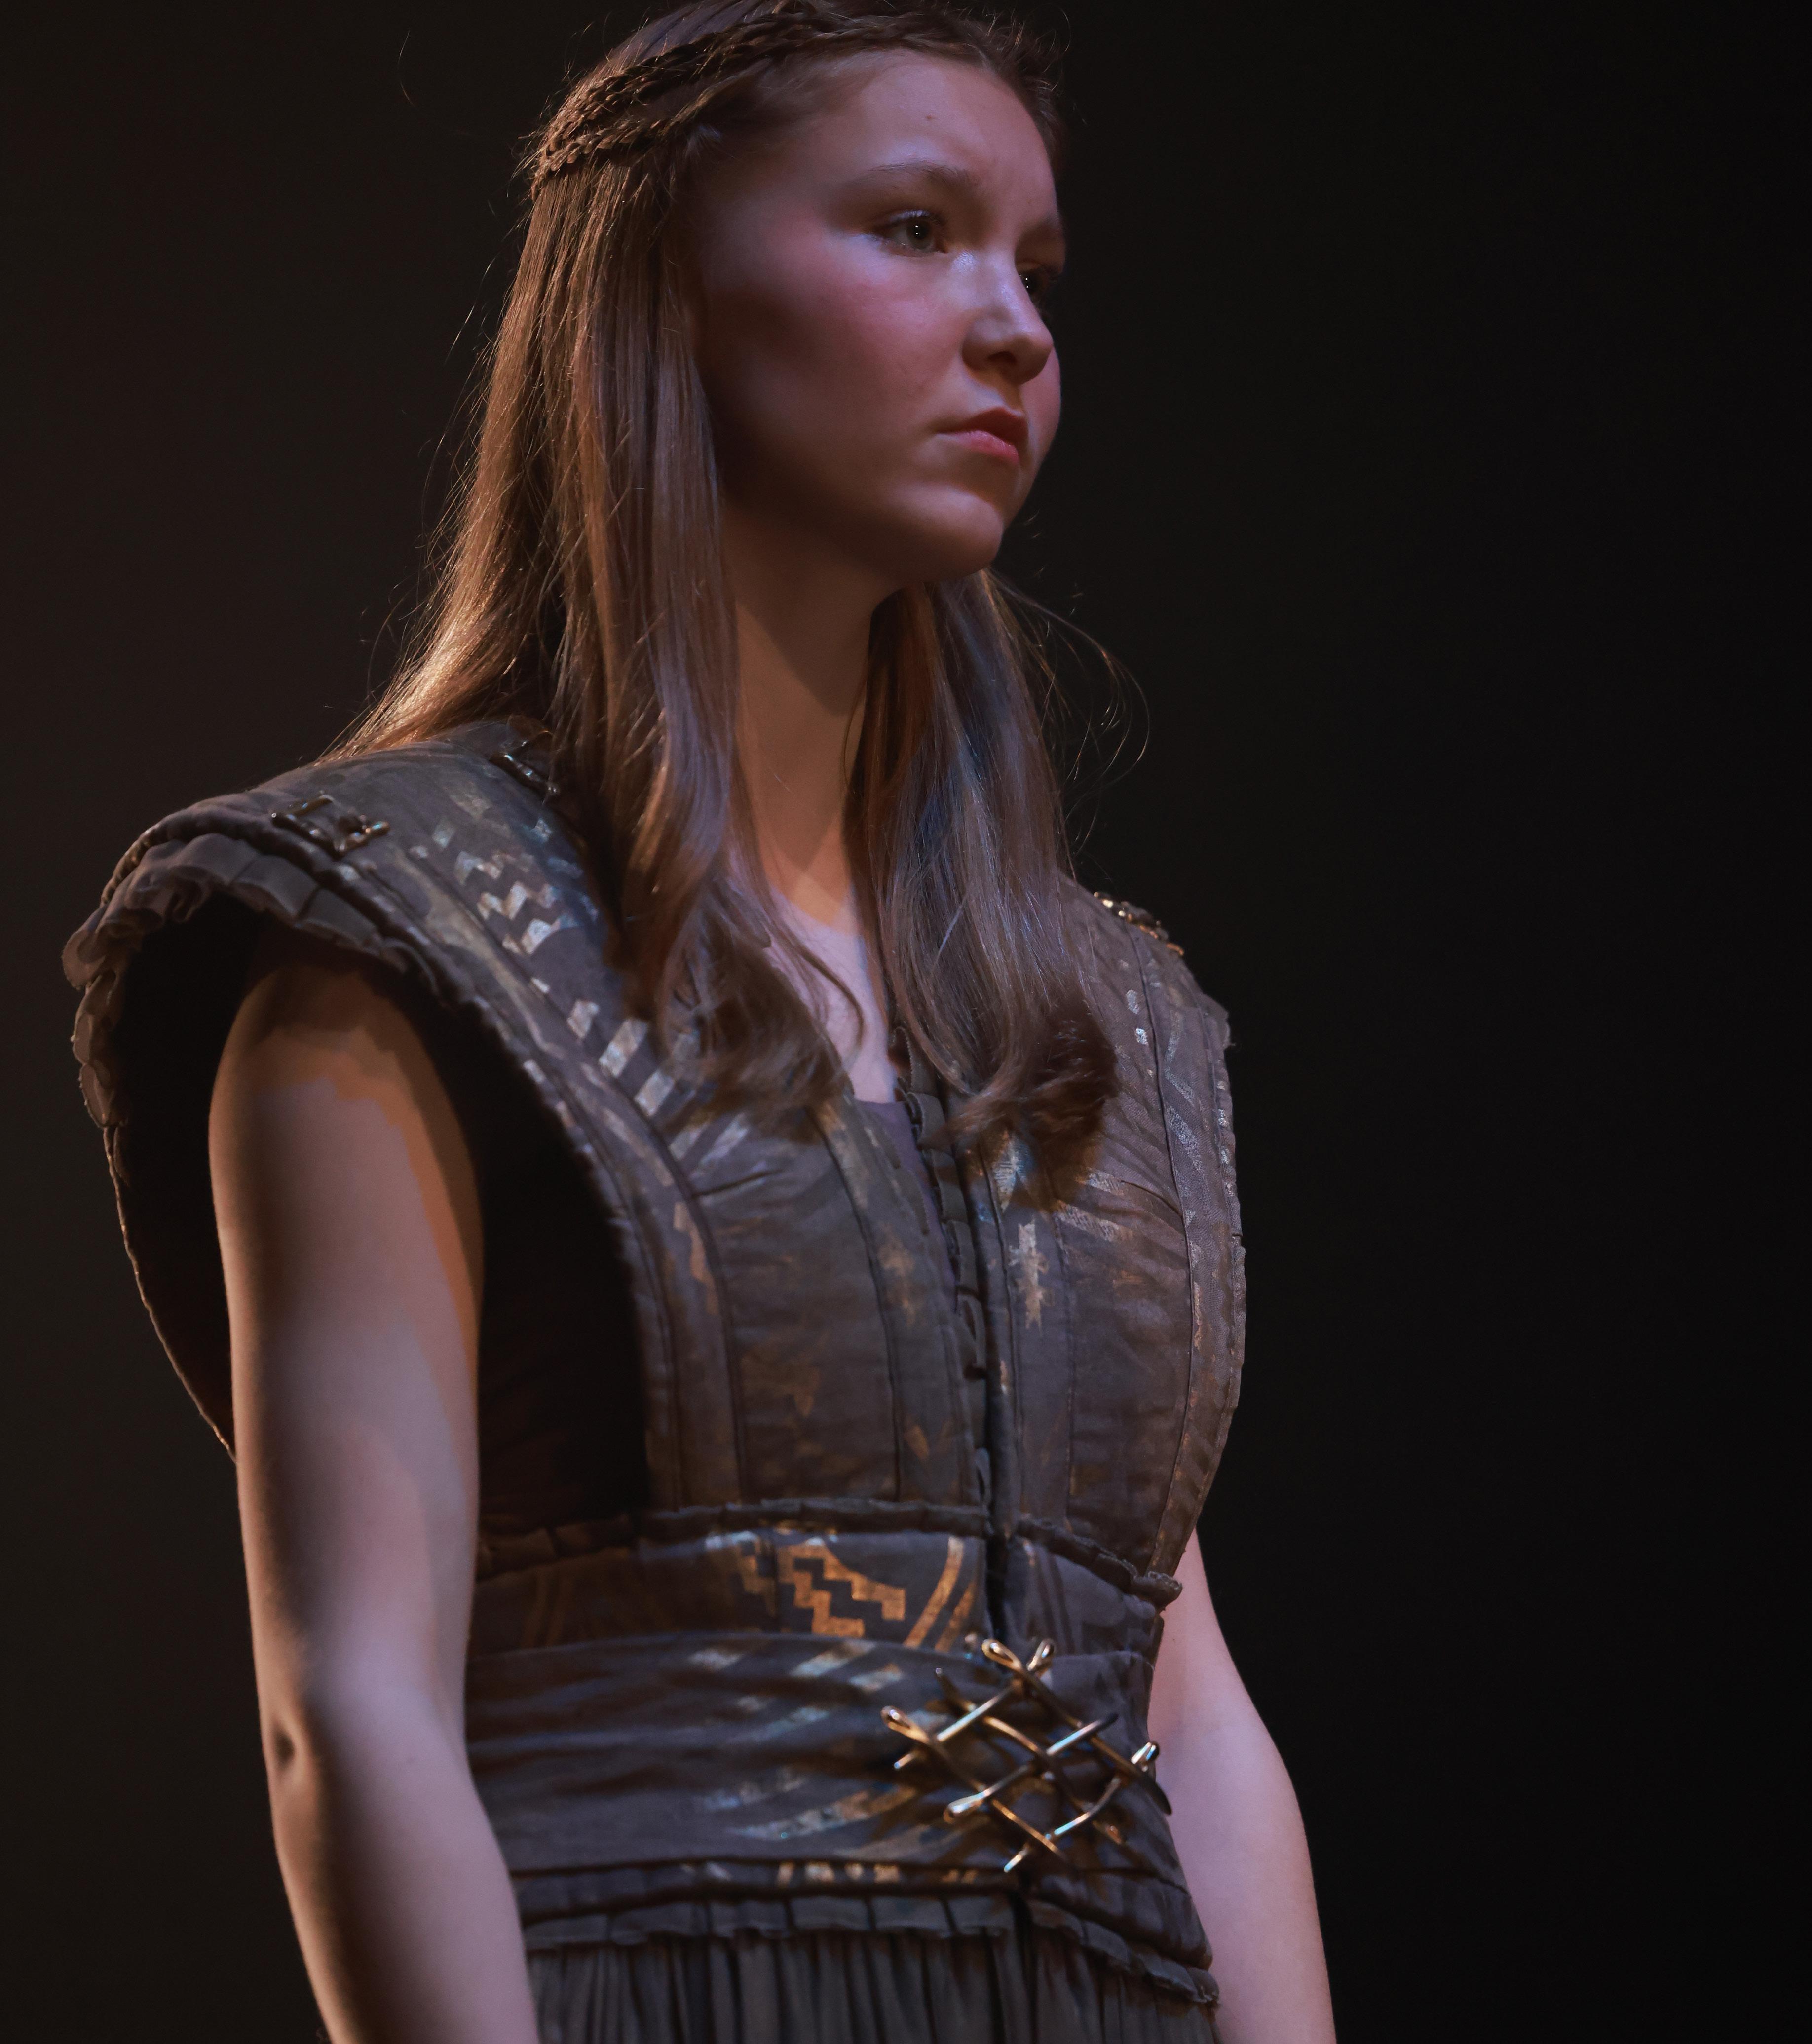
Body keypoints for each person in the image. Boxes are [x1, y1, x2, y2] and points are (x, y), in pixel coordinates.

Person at [64, 3, 1334, 2039]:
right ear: (658, 282)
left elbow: (1185, 1704)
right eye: (914, 229)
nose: (1012, 327)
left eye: (1034, 264)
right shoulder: (388, 934)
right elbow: (353, 1711)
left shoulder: (1103, 1014)